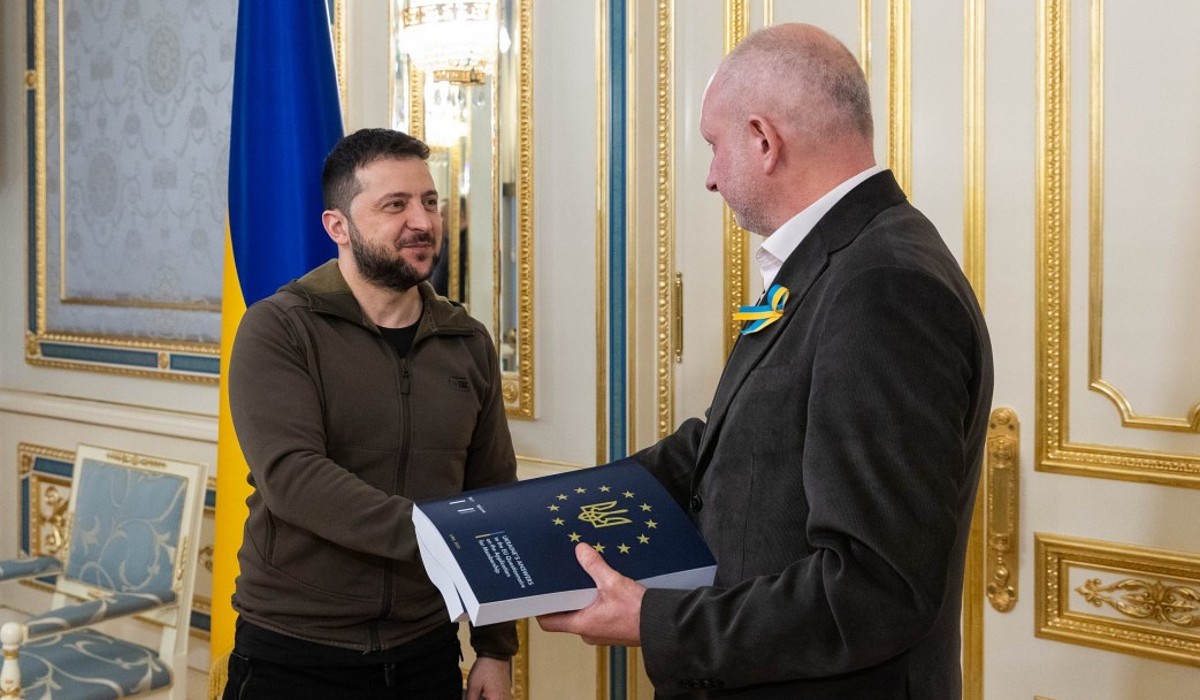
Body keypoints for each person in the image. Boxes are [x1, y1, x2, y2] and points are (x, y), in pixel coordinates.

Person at [538, 23, 993, 699]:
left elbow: (874, 588)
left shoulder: (883, 284)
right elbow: (736, 443)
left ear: (762, 139)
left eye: (713, 146)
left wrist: (656, 620)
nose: (710, 177)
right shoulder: (836, 258)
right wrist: (548, 513)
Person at [224, 128, 517, 700]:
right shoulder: (278, 329)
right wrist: (436, 537)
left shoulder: (467, 340)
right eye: (395, 205)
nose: (423, 222)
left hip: (427, 648)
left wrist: (495, 647)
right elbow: (294, 478)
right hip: (295, 651)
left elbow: (492, 492)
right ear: (338, 226)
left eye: (429, 201)